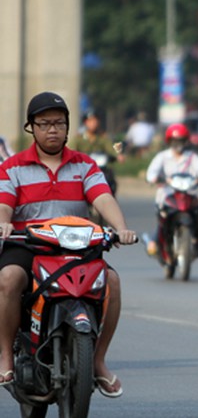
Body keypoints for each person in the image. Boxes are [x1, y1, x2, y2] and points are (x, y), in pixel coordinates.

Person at [0, 92, 137, 395]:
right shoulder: (12, 166)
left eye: (59, 123)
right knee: (8, 278)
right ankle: (6, 355)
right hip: (28, 244)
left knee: (112, 282)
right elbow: (4, 204)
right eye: (45, 123)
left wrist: (121, 229)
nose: (53, 129)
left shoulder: (84, 165)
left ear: (67, 127)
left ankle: (97, 361)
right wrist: (4, 222)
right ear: (31, 127)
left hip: (75, 247)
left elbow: (103, 198)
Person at [145, 123, 198, 256]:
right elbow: (151, 173)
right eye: (175, 141)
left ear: (185, 141)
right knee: (162, 219)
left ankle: (196, 239)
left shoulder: (191, 157)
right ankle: (154, 241)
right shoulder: (162, 157)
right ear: (169, 141)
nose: (178, 144)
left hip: (188, 194)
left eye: (181, 140)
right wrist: (155, 178)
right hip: (167, 195)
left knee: (197, 213)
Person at [70, 110, 125, 194]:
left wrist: (118, 156)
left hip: (100, 168)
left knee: (110, 178)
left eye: (95, 121)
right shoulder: (79, 138)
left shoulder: (102, 137)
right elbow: (71, 149)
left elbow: (110, 148)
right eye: (90, 121)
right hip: (83, 167)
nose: (93, 124)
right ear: (85, 123)